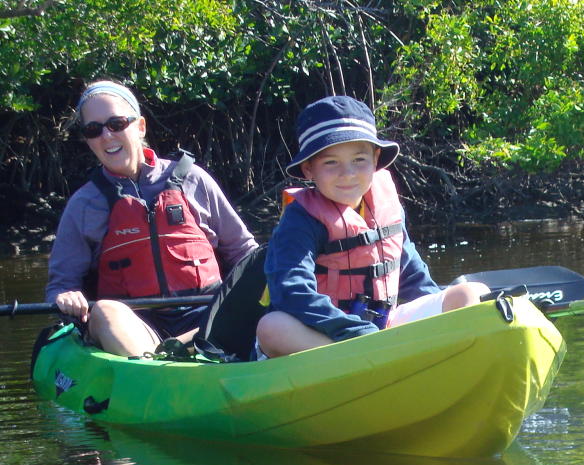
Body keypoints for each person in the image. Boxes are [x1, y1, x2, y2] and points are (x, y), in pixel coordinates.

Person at [256, 95, 488, 358]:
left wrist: (437, 321)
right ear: (309, 169)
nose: (348, 173)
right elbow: (292, 291)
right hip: (328, 336)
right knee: (272, 327)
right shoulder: (300, 220)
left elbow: (413, 277)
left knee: (471, 293)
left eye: (359, 160)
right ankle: (370, 362)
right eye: (331, 163)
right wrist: (354, 332)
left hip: (380, 330)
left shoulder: (387, 208)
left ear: (376, 159)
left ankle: (438, 361)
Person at [45, 80, 259, 357]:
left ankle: (188, 349)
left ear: (140, 126)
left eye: (117, 123)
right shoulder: (84, 204)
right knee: (106, 311)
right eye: (93, 130)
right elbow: (61, 285)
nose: (107, 136)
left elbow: (245, 253)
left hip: (208, 317)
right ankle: (158, 368)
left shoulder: (193, 179)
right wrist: (66, 297)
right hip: (137, 327)